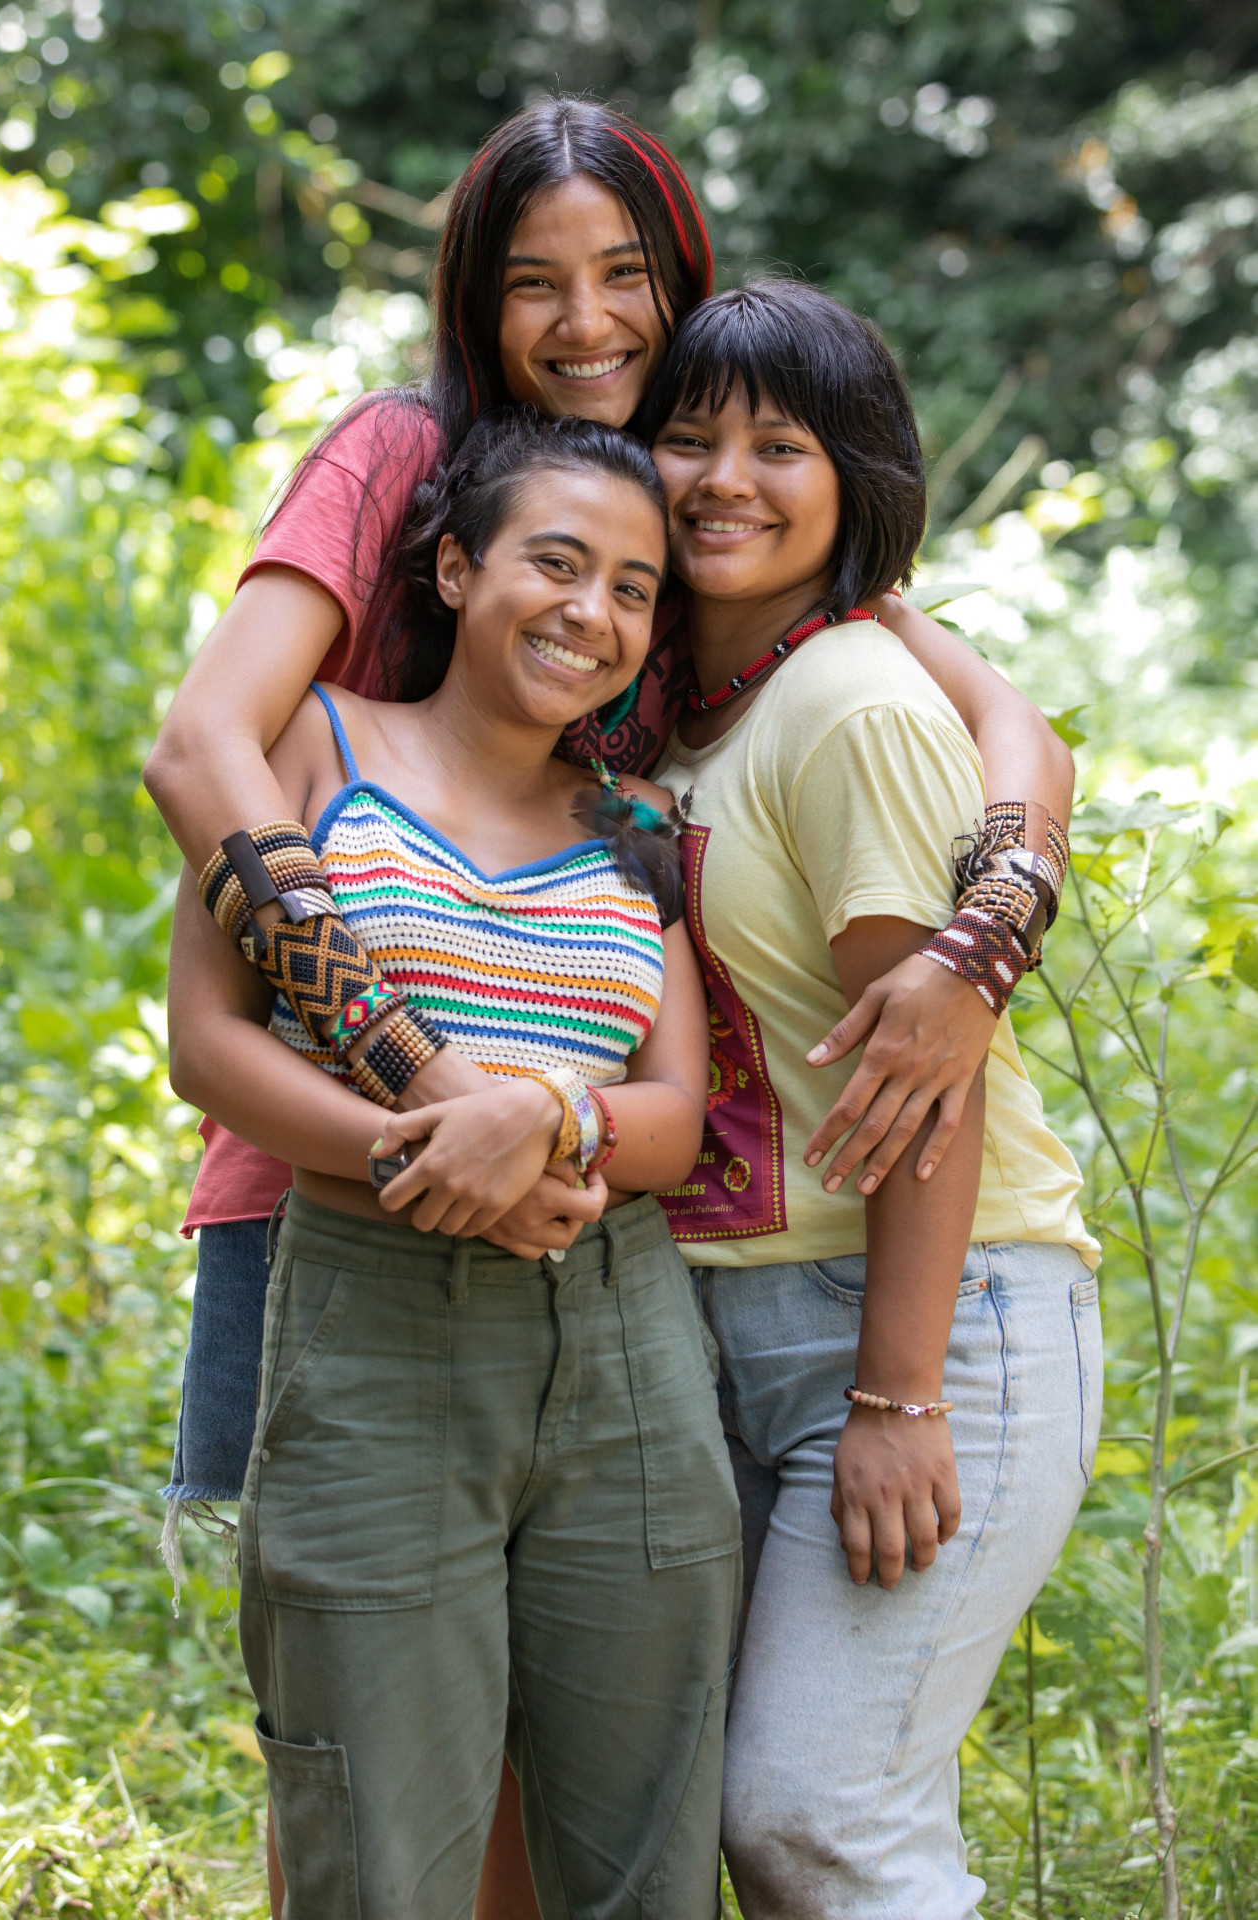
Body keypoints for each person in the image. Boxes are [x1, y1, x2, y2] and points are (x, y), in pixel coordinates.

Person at [144, 92, 1072, 1554]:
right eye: (533, 279)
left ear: (681, 278)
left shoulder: (690, 510)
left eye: (626, 272)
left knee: (569, 1696)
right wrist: (430, 1085)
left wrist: (980, 943)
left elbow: (1009, 724)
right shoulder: (400, 453)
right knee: (364, 1686)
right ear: (473, 299)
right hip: (335, 1156)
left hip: (589, 1182)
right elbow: (201, 741)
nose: (588, 320)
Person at [168, 411, 742, 1920]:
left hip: (622, 1346)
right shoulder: (317, 741)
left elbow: (677, 1111)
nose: (592, 612)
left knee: (643, 1860)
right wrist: (425, 1152)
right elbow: (209, 1043)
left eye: (633, 588)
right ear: (452, 563)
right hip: (373, 1327)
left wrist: (551, 1120)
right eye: (555, 563)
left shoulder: (635, 827)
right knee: (378, 1852)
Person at [634, 280, 1102, 1918]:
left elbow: (932, 1076)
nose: (724, 479)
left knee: (816, 1820)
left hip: (927, 1318)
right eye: (687, 439)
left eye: (780, 444)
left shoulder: (845, 702)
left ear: (858, 481)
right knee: (788, 1836)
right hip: (735, 1330)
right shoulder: (685, 714)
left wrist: (901, 1398)